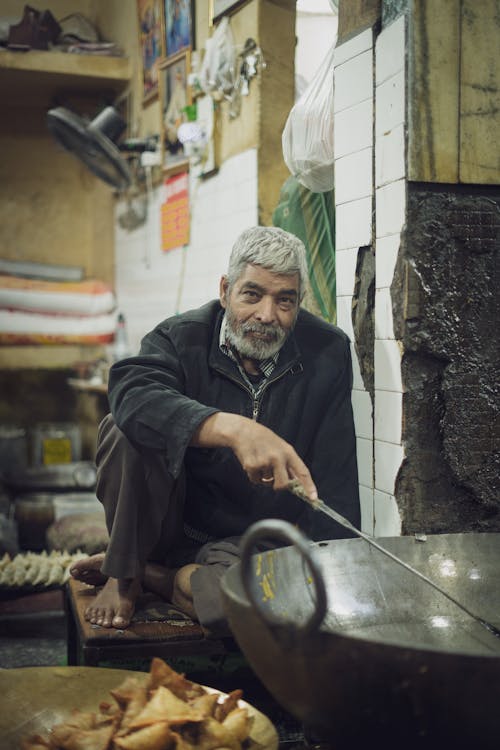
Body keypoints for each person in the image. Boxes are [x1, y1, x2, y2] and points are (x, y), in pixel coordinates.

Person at [70, 226, 360, 634]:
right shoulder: (180, 336)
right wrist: (232, 429)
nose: (266, 315)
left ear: (299, 304)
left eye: (285, 301)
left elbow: (336, 470)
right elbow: (131, 392)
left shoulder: (327, 351)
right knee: (124, 428)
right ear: (225, 291)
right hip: (169, 522)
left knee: (252, 611)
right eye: (252, 294)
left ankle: (152, 575)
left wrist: (341, 570)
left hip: (246, 544)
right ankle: (124, 575)